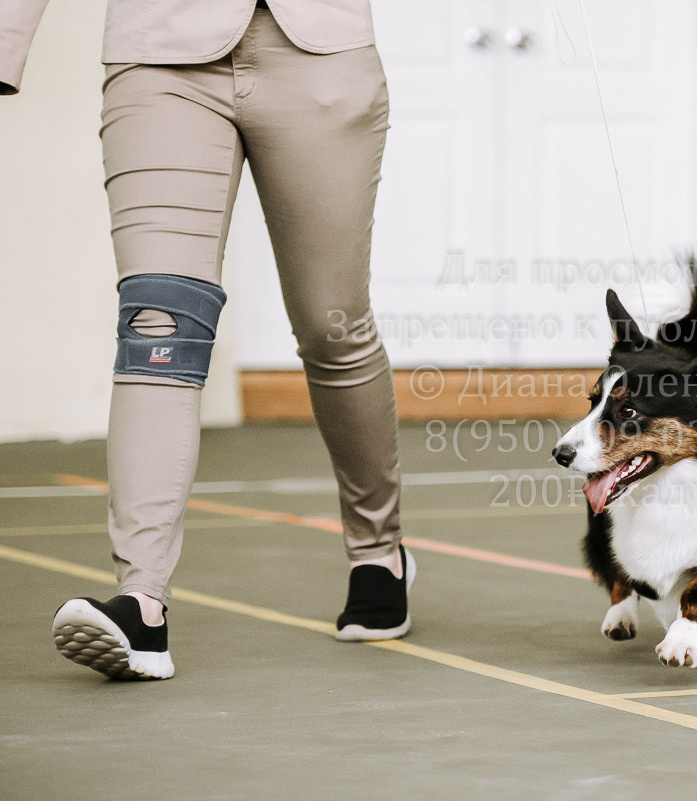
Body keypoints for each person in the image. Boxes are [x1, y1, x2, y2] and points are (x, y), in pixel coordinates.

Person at [3, 0, 413, 680]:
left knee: (331, 325)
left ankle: (378, 548)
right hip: (158, 57)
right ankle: (142, 602)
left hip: (319, 52)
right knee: (158, 322)